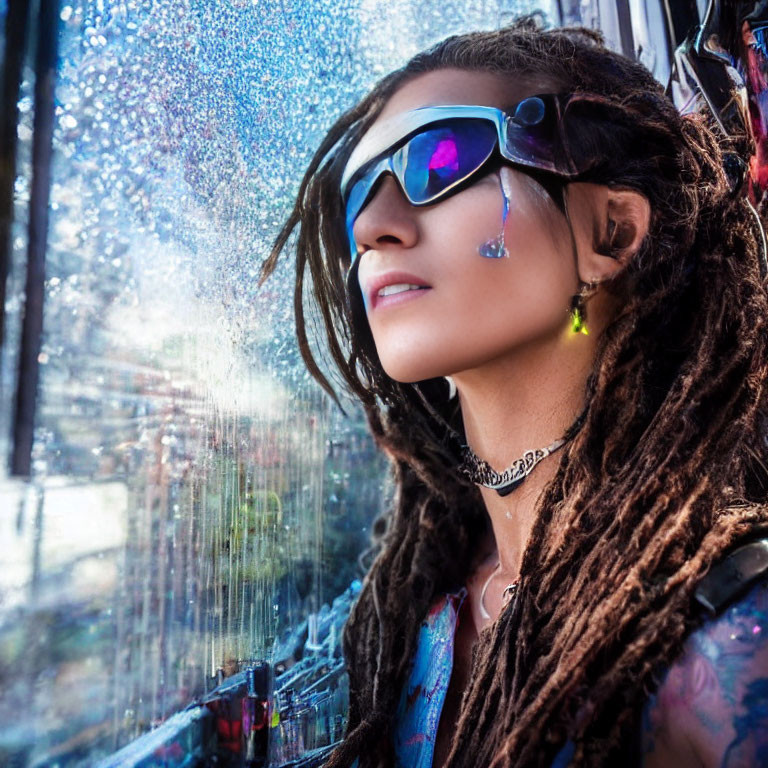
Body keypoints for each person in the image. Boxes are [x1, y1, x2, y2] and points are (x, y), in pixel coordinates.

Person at [259, 16, 768, 768]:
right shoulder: (403, 618)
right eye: (355, 195)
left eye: (440, 158)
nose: (372, 226)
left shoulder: (734, 647)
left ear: (611, 234)